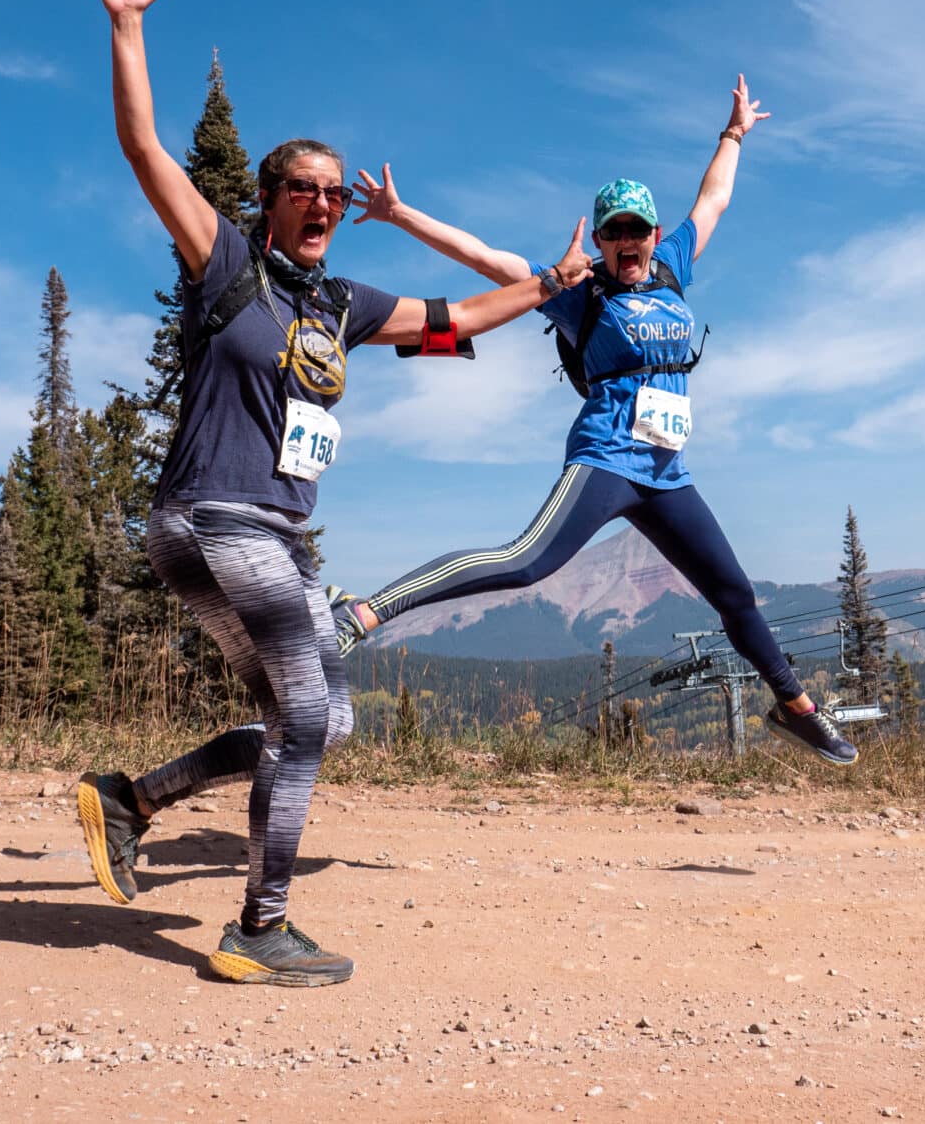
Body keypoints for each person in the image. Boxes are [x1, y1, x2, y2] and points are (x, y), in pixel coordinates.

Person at [71, 0, 591, 987]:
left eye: (330, 192)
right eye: (299, 189)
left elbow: (456, 318)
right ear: (266, 202)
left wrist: (549, 284)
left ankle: (131, 801)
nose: (318, 201)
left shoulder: (340, 302)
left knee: (319, 716)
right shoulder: (225, 264)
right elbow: (141, 148)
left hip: (274, 538)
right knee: (304, 715)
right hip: (214, 518)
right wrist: (128, 28)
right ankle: (259, 929)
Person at [329, 76, 857, 766]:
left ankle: (796, 709)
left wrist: (733, 136)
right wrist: (401, 216)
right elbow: (485, 257)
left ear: (654, 234)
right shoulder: (580, 293)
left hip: (668, 471)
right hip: (607, 459)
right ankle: (364, 611)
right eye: (614, 231)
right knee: (524, 564)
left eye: (637, 228)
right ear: (601, 241)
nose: (627, 240)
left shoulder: (673, 267)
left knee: (735, 594)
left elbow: (716, 198)